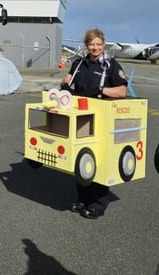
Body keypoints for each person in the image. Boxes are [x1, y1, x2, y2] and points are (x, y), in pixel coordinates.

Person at [61, 27, 128, 219]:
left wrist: (103, 89)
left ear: (103, 44)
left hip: (102, 118)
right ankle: (82, 198)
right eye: (91, 44)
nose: (95, 47)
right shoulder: (80, 63)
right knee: (81, 157)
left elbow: (121, 92)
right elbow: (68, 78)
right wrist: (65, 84)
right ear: (86, 45)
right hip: (81, 115)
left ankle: (98, 203)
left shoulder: (111, 65)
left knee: (99, 159)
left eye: (98, 44)